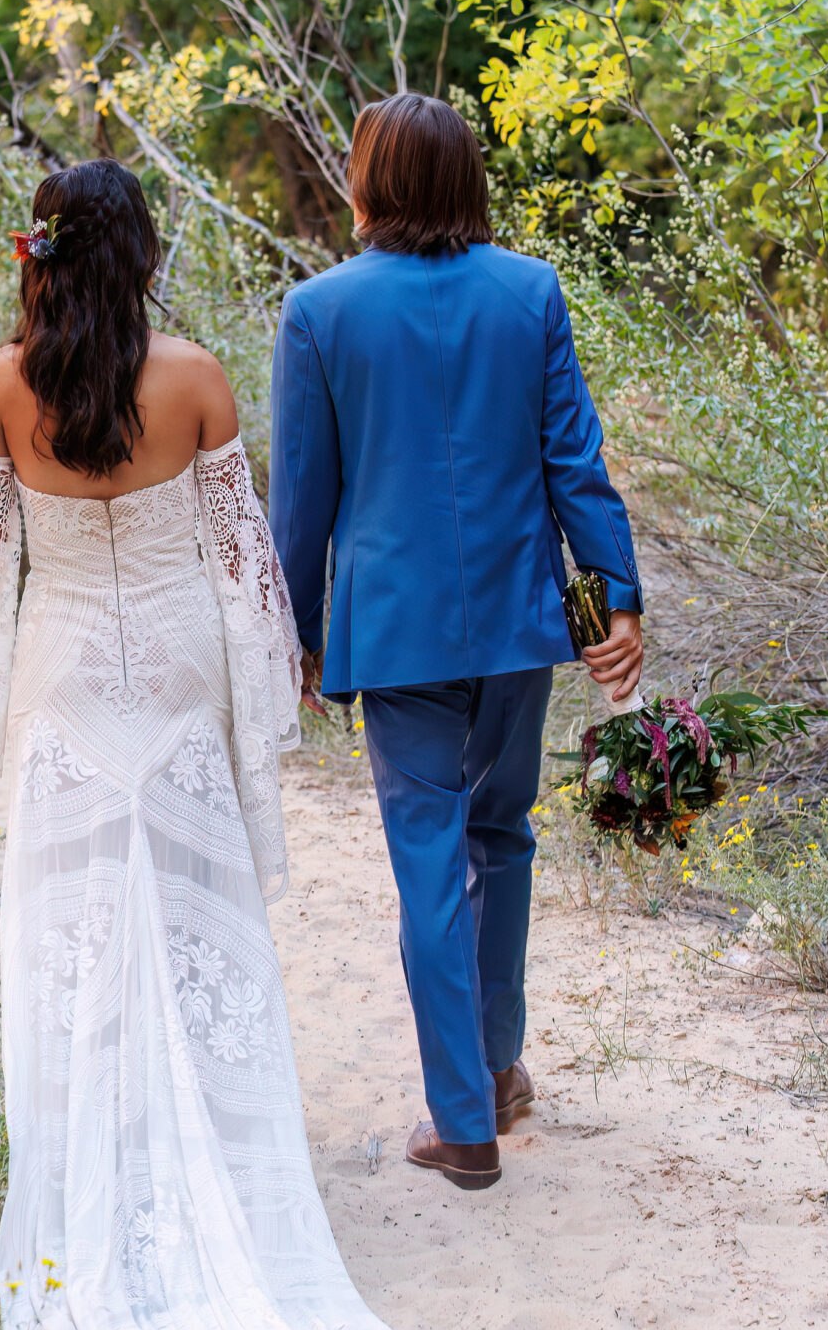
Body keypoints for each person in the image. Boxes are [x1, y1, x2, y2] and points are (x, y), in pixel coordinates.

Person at [0, 159, 415, 1330]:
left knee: (77, 935)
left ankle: (98, 1174)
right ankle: (218, 1167)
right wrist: (276, 691)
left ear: (31, 255)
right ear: (146, 252)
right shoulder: (196, 378)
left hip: (64, 692)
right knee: (199, 924)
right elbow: (244, 564)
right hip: (174, 687)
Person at [270, 94, 644, 1194]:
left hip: (393, 629)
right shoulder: (528, 291)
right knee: (504, 832)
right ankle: (497, 1067)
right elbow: (574, 457)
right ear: (469, 180)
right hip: (519, 621)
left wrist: (293, 632)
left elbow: (304, 501)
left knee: (429, 855)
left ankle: (461, 1117)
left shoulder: (320, 311)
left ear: (368, 181)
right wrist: (614, 597)